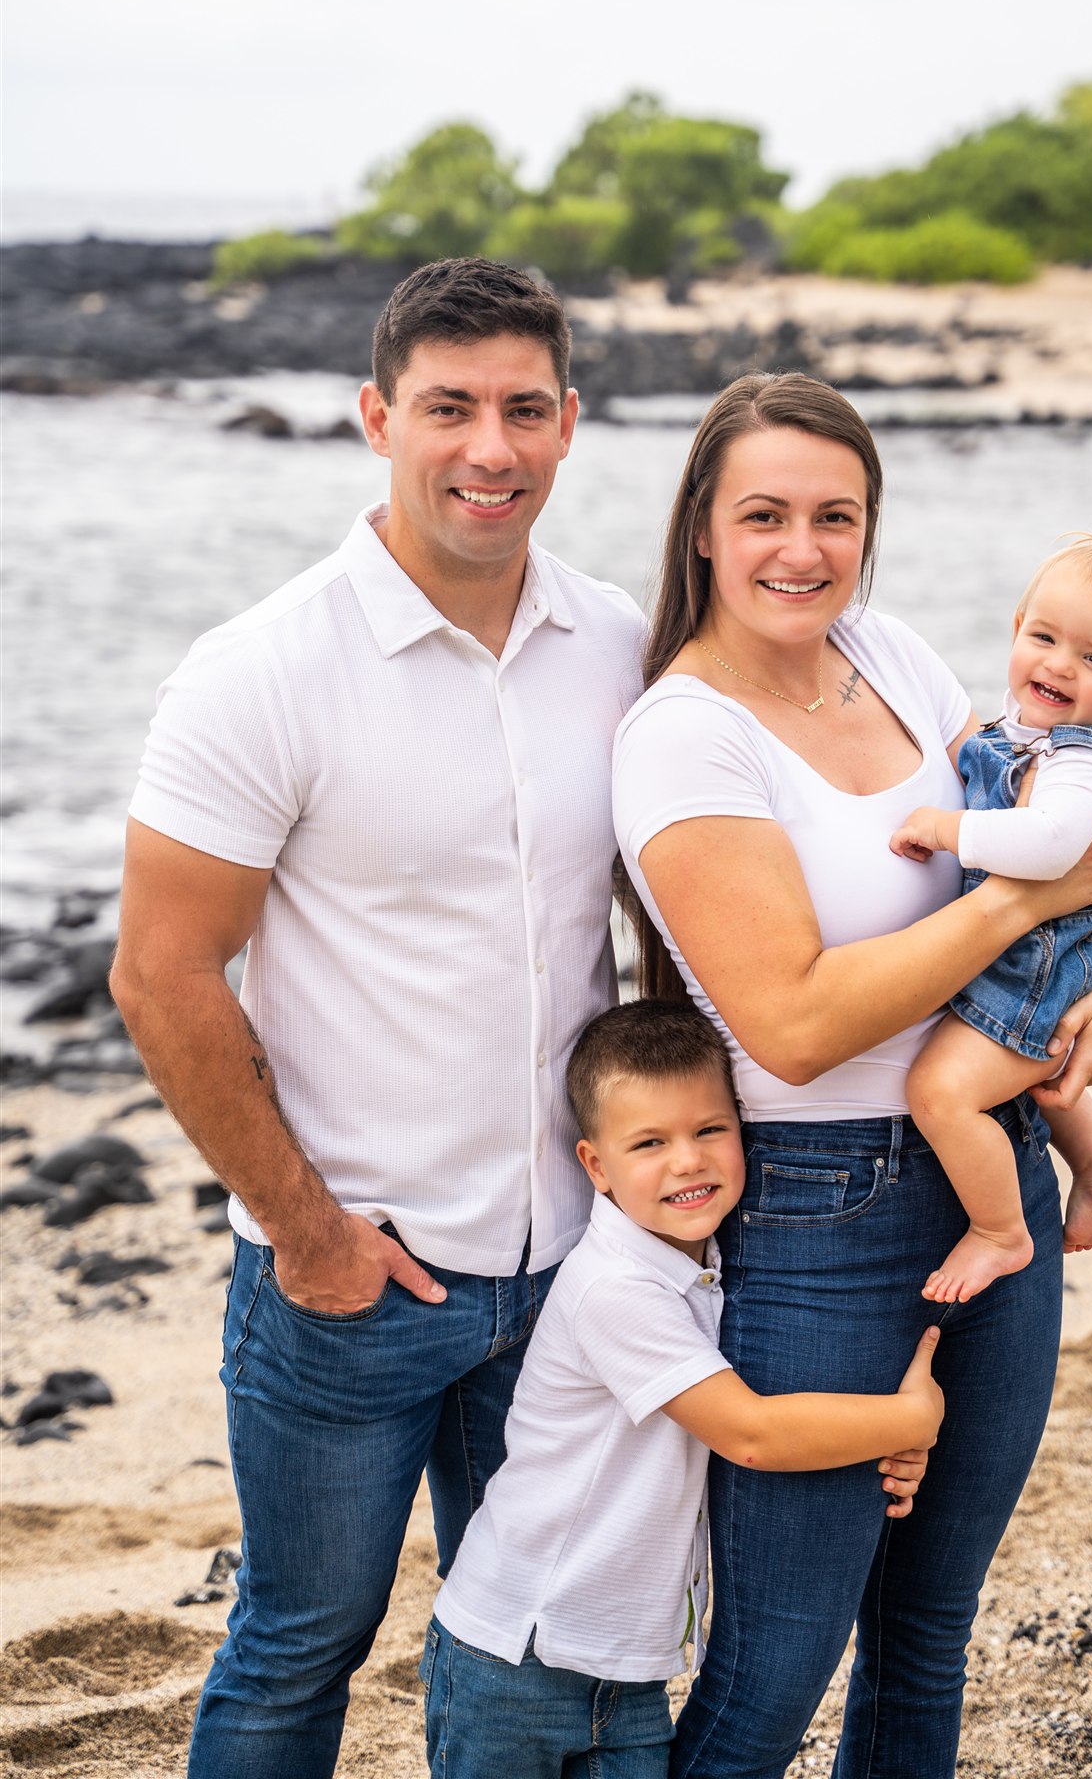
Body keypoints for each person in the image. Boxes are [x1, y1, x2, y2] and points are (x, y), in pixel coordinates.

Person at [109, 258, 649, 1779]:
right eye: (450, 409)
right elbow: (160, 975)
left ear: (569, 424)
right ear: (375, 418)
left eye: (524, 411)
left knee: (533, 1639)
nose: (491, 447)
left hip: (569, 1271)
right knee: (301, 1645)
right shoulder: (260, 672)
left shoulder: (616, 642)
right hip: (354, 1279)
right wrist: (309, 1231)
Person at [610, 373, 1092, 1779]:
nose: (803, 550)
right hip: (811, 1214)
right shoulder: (682, 734)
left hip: (990, 1181)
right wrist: (1023, 912)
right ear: (704, 533)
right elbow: (791, 1024)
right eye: (765, 515)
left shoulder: (897, 657)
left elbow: (1059, 841)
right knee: (777, 1665)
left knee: (927, 1625)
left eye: (834, 516)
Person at [422, 998, 945, 1779]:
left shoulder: (706, 1265)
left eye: (709, 1131)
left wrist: (882, 1439)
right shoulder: (616, 1289)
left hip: (628, 1670)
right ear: (594, 1165)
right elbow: (752, 1432)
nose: (687, 1161)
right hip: (516, 1655)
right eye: (648, 1143)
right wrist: (911, 1419)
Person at [891, 534, 1092, 1305]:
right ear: (1016, 627)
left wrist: (945, 830)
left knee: (940, 1090)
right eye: (1043, 638)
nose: (1058, 666)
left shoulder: (1078, 758)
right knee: (1030, 1065)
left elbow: (1049, 847)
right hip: (1039, 949)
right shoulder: (1026, 726)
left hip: (1037, 954)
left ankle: (1001, 1233)